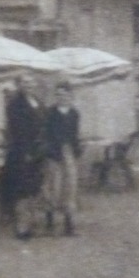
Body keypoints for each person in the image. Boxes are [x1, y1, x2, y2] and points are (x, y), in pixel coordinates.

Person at [1, 74, 45, 239]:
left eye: (31, 81)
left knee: (34, 188)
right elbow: (18, 131)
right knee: (22, 190)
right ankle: (21, 227)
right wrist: (26, 151)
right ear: (19, 85)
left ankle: (31, 223)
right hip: (21, 152)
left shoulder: (39, 103)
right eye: (25, 82)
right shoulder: (15, 105)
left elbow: (43, 125)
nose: (28, 85)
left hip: (38, 152)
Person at [42, 81, 82, 236]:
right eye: (58, 95)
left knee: (70, 186)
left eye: (65, 95)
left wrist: (76, 150)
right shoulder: (50, 112)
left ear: (70, 96)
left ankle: (69, 223)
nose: (62, 98)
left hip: (69, 152)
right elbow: (45, 133)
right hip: (54, 153)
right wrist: (50, 149)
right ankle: (50, 220)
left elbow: (75, 134)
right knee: (53, 185)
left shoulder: (74, 113)